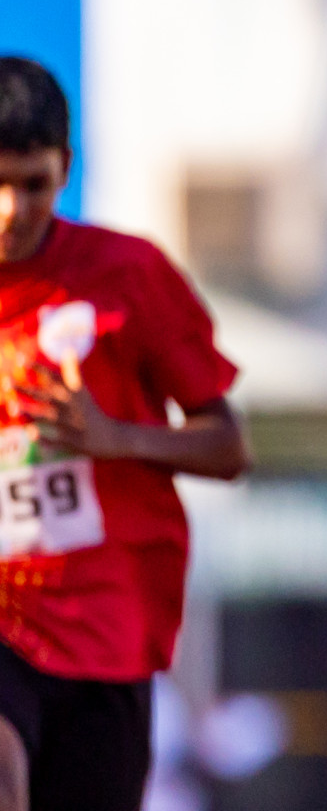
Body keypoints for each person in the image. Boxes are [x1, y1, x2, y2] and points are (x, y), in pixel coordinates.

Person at [0, 56, 249, 811]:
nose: (12, 209)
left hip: (105, 630)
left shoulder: (129, 275)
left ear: (65, 170)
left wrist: (118, 439)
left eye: (33, 184)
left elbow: (226, 445)